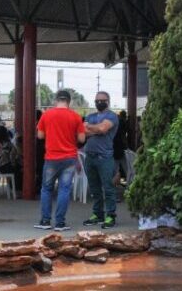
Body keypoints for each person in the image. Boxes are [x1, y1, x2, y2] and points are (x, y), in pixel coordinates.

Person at [35, 90, 85, 231]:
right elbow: (81, 139)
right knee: (64, 189)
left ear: (56, 100)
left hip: (51, 158)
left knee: (46, 189)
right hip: (69, 158)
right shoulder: (76, 117)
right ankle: (60, 223)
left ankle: (45, 221)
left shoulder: (47, 115)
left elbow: (40, 135)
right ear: (69, 101)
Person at [82, 91, 120, 229]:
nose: (99, 102)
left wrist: (93, 128)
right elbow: (82, 131)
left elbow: (103, 129)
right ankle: (98, 214)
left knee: (108, 188)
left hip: (104, 158)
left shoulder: (112, 116)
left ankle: (110, 215)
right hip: (90, 157)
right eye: (97, 100)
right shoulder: (91, 115)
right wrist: (96, 129)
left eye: (102, 100)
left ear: (108, 101)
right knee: (94, 188)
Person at [0, 124, 22, 192]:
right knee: (18, 168)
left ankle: (13, 188)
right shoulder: (8, 144)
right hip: (4, 168)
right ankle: (16, 189)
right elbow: (13, 156)